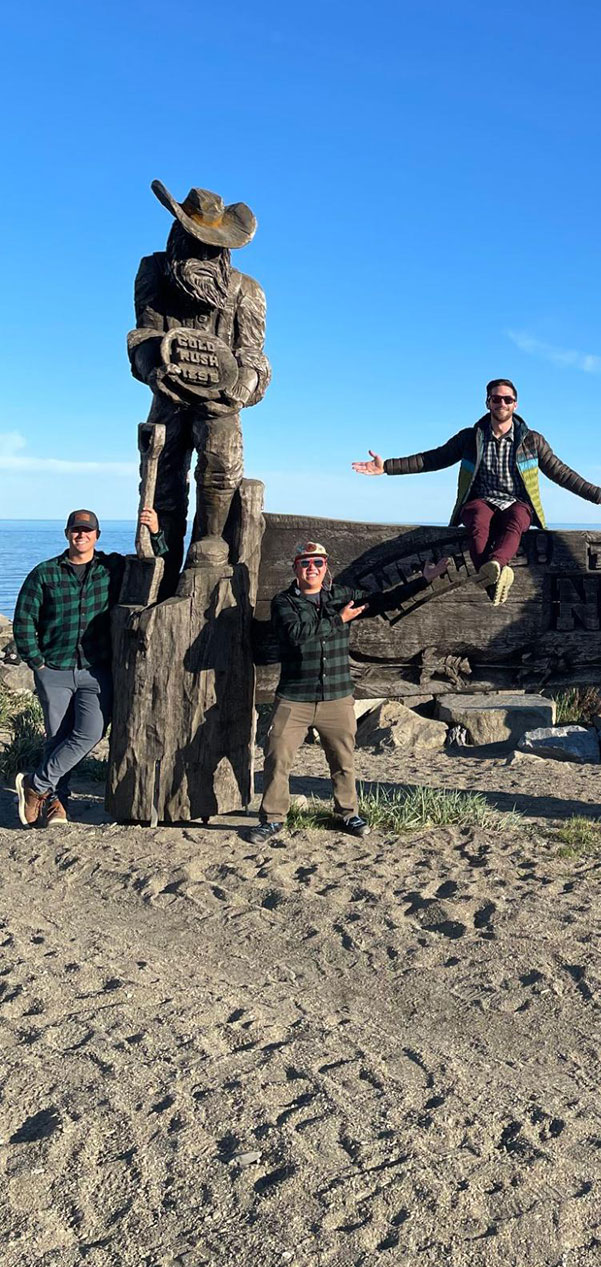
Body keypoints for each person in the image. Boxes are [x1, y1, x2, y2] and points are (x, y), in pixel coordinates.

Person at [351, 378, 601, 605]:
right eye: (496, 398)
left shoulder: (532, 441)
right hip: (481, 500)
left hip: (516, 502)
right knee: (476, 521)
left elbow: (561, 472)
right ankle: (498, 575)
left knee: (517, 521)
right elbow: (432, 459)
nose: (501, 403)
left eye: (507, 399)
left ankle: (495, 568)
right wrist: (386, 466)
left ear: (516, 404)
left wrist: (599, 496)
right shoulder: (471, 438)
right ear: (487, 402)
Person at [249, 541, 447, 846]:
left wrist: (425, 579)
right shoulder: (283, 602)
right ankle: (273, 819)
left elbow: (382, 602)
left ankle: (347, 814)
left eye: (317, 563)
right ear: (295, 568)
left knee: (343, 760)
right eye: (305, 563)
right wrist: (338, 620)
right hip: (293, 698)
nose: (311, 568)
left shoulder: (341, 596)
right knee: (276, 758)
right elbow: (297, 636)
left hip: (337, 697)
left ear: (326, 567)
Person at [128, 180, 270, 585]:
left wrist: (237, 391)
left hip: (220, 402)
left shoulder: (247, 292)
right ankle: (161, 549)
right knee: (163, 474)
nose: (203, 254)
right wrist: (153, 367)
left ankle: (209, 539)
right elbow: (143, 334)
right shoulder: (153, 271)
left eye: (213, 246)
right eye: (195, 242)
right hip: (168, 394)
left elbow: (253, 355)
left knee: (221, 462)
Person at [13, 506, 164, 827]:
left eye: (87, 530)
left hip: (96, 669)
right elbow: (24, 619)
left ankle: (35, 786)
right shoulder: (45, 573)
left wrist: (155, 532)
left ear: (97, 535)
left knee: (89, 733)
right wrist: (36, 662)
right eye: (76, 530)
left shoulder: (111, 568)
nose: (81, 535)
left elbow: (154, 566)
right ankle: (57, 803)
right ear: (67, 534)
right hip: (53, 668)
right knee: (57, 738)